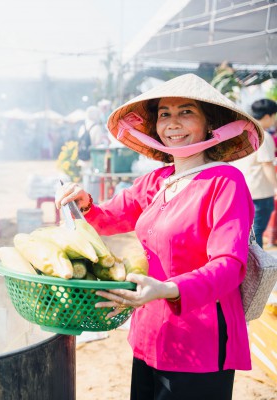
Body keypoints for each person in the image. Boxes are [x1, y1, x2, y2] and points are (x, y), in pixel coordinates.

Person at [55, 74, 262, 400]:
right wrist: (85, 203)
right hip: (150, 331)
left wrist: (169, 289)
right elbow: (108, 218)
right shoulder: (157, 180)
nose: (173, 123)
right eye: (164, 114)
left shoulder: (225, 181)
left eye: (186, 111)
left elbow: (229, 265)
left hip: (200, 340)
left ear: (210, 123)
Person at [231, 98, 277, 247]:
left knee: (248, 234)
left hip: (243, 190)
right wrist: (276, 188)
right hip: (261, 193)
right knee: (255, 236)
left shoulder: (243, 132)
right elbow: (267, 165)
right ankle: (256, 269)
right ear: (268, 116)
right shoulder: (264, 135)